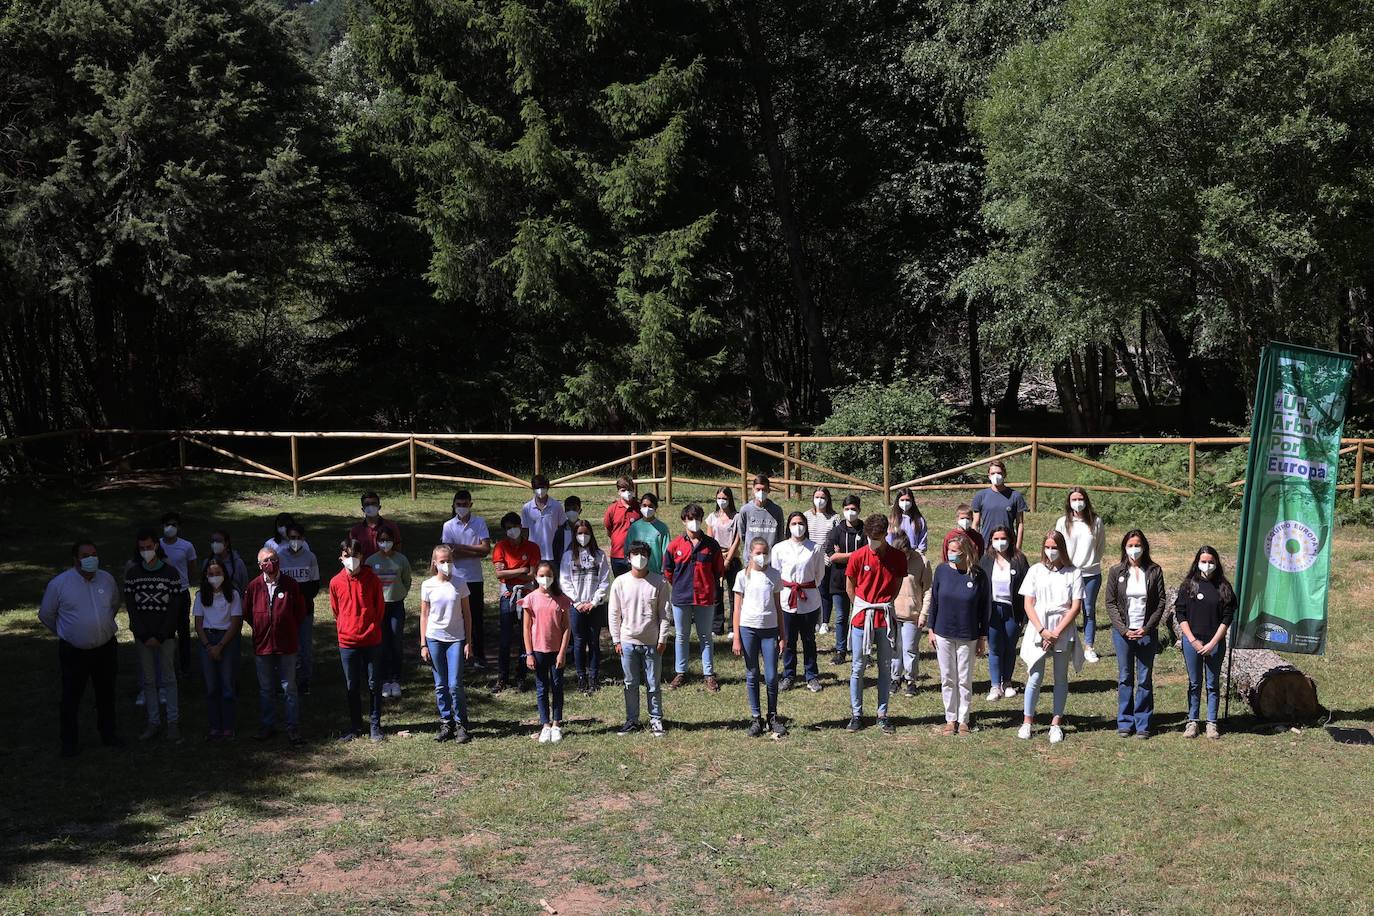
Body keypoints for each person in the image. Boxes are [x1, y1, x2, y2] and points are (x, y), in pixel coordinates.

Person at [39, 541, 122, 756]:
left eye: (94, 554)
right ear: (75, 559)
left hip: (105, 648)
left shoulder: (107, 578)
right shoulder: (60, 584)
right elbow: (47, 614)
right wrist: (68, 633)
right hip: (74, 651)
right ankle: (69, 742)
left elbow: (114, 604)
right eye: (85, 555)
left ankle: (108, 734)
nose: (91, 558)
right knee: (71, 697)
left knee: (106, 693)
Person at [1017, 531, 1084, 744]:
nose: (1051, 551)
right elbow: (1028, 603)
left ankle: (1056, 723)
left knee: (1060, 677)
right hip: (1039, 627)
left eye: (1055, 547)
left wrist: (1056, 633)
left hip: (1062, 629)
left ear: (1062, 548)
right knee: (1035, 676)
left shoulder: (1074, 572)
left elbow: (1075, 607)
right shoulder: (1036, 571)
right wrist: (1042, 631)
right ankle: (1027, 721)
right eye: (1047, 547)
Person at [845, 514, 906, 734]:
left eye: (877, 537)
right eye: (870, 537)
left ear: (885, 534)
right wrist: (862, 606)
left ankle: (882, 714)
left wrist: (884, 605)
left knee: (885, 667)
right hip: (863, 617)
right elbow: (850, 586)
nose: (873, 541)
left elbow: (897, 584)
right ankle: (856, 714)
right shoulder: (858, 556)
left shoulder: (898, 557)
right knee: (858, 667)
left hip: (884, 618)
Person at [1105, 529, 1167, 739]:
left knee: (1144, 678)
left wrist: (1147, 628)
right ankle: (1124, 720)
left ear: (1144, 547)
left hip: (1146, 632)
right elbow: (1110, 603)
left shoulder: (1155, 571)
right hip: (1123, 633)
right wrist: (1123, 629)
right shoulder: (1116, 572)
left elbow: (1160, 603)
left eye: (1137, 545)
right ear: (1124, 547)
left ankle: (1143, 722)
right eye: (1130, 545)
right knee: (1125, 677)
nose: (1134, 549)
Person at [927, 532, 989, 735]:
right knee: (947, 677)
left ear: (966, 553)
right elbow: (934, 601)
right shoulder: (942, 571)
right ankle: (950, 718)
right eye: (949, 550)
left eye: (955, 551)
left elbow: (984, 609)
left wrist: (982, 637)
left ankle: (964, 720)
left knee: (964, 678)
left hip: (967, 634)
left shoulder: (978, 576)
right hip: (943, 632)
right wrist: (931, 629)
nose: (950, 554)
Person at [242, 547, 306, 743]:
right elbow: (247, 613)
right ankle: (267, 726)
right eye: (266, 561)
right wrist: (263, 628)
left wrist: (285, 627)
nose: (271, 563)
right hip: (263, 645)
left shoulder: (290, 585)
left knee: (289, 688)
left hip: (286, 645)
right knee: (266, 689)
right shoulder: (253, 586)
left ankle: (292, 728)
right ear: (260, 565)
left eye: (274, 559)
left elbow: (300, 612)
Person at [607, 540, 670, 737]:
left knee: (653, 683)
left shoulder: (660, 582)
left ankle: (656, 719)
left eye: (643, 554)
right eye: (635, 554)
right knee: (630, 683)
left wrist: (663, 639)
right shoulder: (620, 582)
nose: (639, 558)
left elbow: (665, 613)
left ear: (649, 558)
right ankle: (631, 719)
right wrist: (616, 640)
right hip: (627, 642)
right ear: (628, 558)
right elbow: (614, 613)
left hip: (652, 641)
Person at [125, 531, 183, 742]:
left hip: (165, 636)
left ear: (156, 546)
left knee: (169, 679)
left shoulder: (171, 573)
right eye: (142, 548)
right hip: (143, 637)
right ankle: (153, 722)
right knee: (148, 681)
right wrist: (143, 634)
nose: (146, 551)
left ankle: (173, 723)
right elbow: (131, 607)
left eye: (149, 547)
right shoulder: (133, 574)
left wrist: (161, 634)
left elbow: (175, 607)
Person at [663, 503, 724, 692]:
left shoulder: (712, 545)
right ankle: (681, 672)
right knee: (682, 636)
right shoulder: (674, 545)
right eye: (690, 519)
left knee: (705, 636)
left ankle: (708, 674)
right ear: (684, 521)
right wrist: (680, 586)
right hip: (681, 597)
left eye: (697, 518)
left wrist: (708, 587)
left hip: (705, 597)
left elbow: (718, 571)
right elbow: (668, 571)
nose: (694, 522)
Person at [1175, 545, 1235, 740]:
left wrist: (1212, 643)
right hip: (1193, 641)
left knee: (1212, 684)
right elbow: (1180, 613)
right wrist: (1192, 641)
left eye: (1211, 562)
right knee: (1194, 683)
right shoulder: (1188, 585)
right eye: (1204, 561)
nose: (1207, 565)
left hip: (1214, 643)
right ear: (1197, 563)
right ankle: (1192, 721)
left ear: (1216, 563)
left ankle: (1211, 723)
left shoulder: (1224, 587)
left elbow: (1227, 618)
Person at [330, 538, 387, 742]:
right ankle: (355, 726)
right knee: (352, 686)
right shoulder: (335, 582)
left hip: (371, 639)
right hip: (347, 642)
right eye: (347, 556)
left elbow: (380, 609)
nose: (351, 560)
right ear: (341, 558)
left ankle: (375, 726)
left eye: (355, 556)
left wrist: (370, 626)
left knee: (373, 684)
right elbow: (336, 610)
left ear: (361, 556)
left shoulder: (372, 579)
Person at [732, 537, 788, 737]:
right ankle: (756, 718)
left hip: (770, 630)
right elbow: (737, 608)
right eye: (758, 553)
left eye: (765, 552)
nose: (762, 556)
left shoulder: (774, 575)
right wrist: (736, 636)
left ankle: (772, 716)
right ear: (750, 554)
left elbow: (779, 607)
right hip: (748, 629)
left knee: (772, 676)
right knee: (752, 674)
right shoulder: (742, 576)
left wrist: (783, 634)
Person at [419, 545, 473, 744]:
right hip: (434, 638)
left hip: (456, 639)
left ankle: (461, 724)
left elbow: (467, 614)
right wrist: (423, 643)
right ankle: (446, 722)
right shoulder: (427, 585)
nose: (446, 564)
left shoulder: (460, 583)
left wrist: (469, 641)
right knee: (440, 685)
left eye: (449, 560)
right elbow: (424, 615)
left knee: (455, 684)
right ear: (434, 563)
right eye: (442, 561)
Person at [771, 511, 825, 693]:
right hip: (787, 599)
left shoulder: (815, 548)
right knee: (788, 640)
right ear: (788, 526)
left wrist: (805, 587)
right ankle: (789, 675)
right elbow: (776, 574)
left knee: (809, 639)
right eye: (794, 523)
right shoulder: (779, 548)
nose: (798, 527)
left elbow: (819, 575)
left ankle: (811, 675)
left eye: (801, 523)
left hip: (808, 598)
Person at [521, 561, 573, 743]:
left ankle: (557, 723)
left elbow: (567, 628)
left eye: (549, 575)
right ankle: (545, 724)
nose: (545, 579)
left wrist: (562, 652)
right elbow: (526, 628)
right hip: (538, 650)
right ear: (535, 577)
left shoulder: (562, 599)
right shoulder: (531, 599)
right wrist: (529, 653)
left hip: (556, 650)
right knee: (542, 688)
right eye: (541, 575)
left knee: (557, 686)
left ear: (554, 577)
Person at [559, 520, 611, 694]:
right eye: (579, 533)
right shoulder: (568, 556)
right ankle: (581, 676)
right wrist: (578, 602)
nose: (583, 536)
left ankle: (594, 676)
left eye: (586, 533)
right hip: (576, 606)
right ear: (574, 535)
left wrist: (593, 602)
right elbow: (564, 582)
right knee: (579, 642)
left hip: (595, 606)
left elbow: (604, 581)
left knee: (594, 641)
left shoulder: (599, 555)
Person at [491, 511, 541, 692]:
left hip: (527, 592)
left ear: (521, 526)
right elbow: (499, 574)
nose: (513, 531)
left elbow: (531, 574)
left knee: (524, 634)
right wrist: (521, 569)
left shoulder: (533, 547)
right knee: (505, 638)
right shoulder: (500, 547)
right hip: (507, 594)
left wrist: (512, 572)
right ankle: (502, 677)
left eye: (515, 526)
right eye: (508, 528)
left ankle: (521, 676)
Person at [1055, 486, 1107, 664]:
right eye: (1074, 500)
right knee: (1067, 609)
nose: (1078, 503)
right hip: (1070, 572)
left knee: (1089, 609)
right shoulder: (1063, 522)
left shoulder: (1096, 521)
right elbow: (1058, 546)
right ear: (1069, 503)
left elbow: (1100, 547)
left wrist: (1091, 562)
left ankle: (1089, 646)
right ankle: (1065, 644)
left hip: (1091, 573)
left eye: (1080, 499)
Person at [978, 525, 1029, 701]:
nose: (1000, 542)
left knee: (1009, 647)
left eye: (1003, 538)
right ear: (991, 541)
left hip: (1012, 611)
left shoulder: (1019, 560)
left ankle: (1007, 683)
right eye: (996, 539)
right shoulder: (985, 560)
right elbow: (980, 587)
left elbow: (1028, 588)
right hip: (992, 610)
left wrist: (1025, 616)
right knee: (995, 647)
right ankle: (995, 686)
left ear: (1010, 539)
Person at [440, 490, 491, 668]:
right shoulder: (448, 526)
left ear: (471, 504)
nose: (462, 507)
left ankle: (479, 656)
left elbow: (485, 550)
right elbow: (448, 552)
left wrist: (460, 548)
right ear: (454, 505)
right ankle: (459, 655)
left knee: (476, 618)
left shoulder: (479, 522)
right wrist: (473, 550)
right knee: (456, 618)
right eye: (458, 504)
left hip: (475, 578)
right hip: (455, 578)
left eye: (465, 504)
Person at [194, 558, 243, 739]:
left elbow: (236, 622)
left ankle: (228, 727)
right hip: (207, 639)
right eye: (211, 574)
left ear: (225, 574)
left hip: (227, 640)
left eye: (218, 573)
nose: (215, 577)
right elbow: (198, 624)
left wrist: (220, 646)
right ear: (205, 576)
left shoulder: (234, 595)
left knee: (227, 685)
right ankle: (215, 726)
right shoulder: (200, 595)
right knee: (211, 687)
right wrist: (208, 645)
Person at [366, 534, 413, 700]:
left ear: (394, 542)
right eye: (381, 540)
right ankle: (385, 679)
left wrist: (401, 594)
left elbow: (407, 581)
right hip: (378, 607)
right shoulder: (370, 561)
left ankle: (396, 679)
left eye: (388, 540)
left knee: (396, 641)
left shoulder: (401, 560)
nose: (385, 543)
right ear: (377, 541)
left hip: (396, 605)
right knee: (382, 643)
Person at [277, 522, 321, 695]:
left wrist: (297, 593)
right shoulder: (279, 556)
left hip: (305, 609)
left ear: (303, 539)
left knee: (305, 648)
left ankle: (304, 682)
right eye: (292, 538)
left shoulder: (310, 557)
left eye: (298, 538)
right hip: (285, 610)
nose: (295, 541)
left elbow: (314, 586)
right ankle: (286, 680)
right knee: (286, 647)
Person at [889, 531, 932, 698]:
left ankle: (910, 680)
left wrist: (923, 614)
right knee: (894, 648)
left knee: (909, 648)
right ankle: (895, 678)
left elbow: (928, 589)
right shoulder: (890, 559)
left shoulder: (922, 562)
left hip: (912, 614)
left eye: (905, 554)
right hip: (892, 612)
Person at [823, 495, 865, 666]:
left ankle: (861, 650)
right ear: (842, 510)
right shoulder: (836, 531)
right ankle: (841, 650)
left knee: (860, 617)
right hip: (839, 580)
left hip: (862, 581)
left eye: (853, 509)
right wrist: (854, 555)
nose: (850, 512)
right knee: (841, 617)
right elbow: (831, 555)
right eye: (847, 509)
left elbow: (868, 554)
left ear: (859, 510)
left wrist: (844, 556)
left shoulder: (865, 530)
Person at [158, 511, 197, 674]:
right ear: (162, 526)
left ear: (179, 527)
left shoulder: (186, 546)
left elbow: (192, 568)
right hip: (161, 593)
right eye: (167, 524)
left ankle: (185, 666)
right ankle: (166, 666)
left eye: (174, 524)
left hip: (181, 592)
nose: (170, 527)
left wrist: (185, 582)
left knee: (183, 630)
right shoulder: (156, 545)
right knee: (165, 630)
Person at [804, 488, 839, 636]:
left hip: (826, 560)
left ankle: (825, 622)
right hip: (808, 559)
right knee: (811, 591)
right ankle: (814, 620)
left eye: (823, 497)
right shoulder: (806, 515)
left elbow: (836, 539)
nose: (820, 500)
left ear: (828, 499)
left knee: (824, 592)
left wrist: (830, 556)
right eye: (817, 497)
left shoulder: (834, 517)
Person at [972, 460, 1028, 550]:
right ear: (989, 476)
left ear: (1004, 474)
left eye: (999, 473)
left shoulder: (1015, 496)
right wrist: (975, 545)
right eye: (993, 473)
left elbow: (1020, 523)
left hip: (1009, 546)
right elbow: (975, 524)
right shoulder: (980, 496)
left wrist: (1018, 547)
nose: (996, 476)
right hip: (986, 546)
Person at [730, 474, 785, 565]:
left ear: (769, 490)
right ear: (753, 490)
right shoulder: (745, 510)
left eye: (764, 489)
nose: (761, 492)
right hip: (751, 559)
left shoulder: (777, 511)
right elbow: (742, 534)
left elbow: (780, 536)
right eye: (758, 489)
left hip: (771, 560)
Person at [709, 487, 740, 639]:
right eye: (719, 498)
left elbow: (737, 539)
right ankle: (716, 626)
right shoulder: (712, 517)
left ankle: (733, 627)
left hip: (732, 559)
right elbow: (709, 539)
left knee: (734, 594)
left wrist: (728, 559)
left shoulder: (737, 517)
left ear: (730, 500)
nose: (722, 501)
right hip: (716, 558)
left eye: (725, 498)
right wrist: (718, 557)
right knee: (716, 594)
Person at [603, 475, 642, 577]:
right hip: (617, 555)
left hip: (636, 554)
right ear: (619, 492)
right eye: (623, 490)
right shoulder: (612, 509)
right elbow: (609, 529)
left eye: (629, 489)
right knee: (620, 587)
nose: (627, 492)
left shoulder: (639, 508)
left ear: (633, 490)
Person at [522, 474, 566, 562]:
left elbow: (562, 529)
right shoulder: (526, 508)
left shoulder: (556, 506)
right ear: (533, 489)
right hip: (533, 554)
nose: (540, 490)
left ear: (548, 487)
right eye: (537, 488)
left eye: (543, 487)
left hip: (553, 554)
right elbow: (525, 531)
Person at [626, 492, 671, 574]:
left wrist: (663, 570)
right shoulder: (634, 527)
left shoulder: (662, 528)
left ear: (655, 508)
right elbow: (627, 549)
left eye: (650, 506)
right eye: (644, 505)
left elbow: (666, 551)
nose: (647, 508)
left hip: (655, 572)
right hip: (637, 571)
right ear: (640, 506)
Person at [349, 491, 401, 559]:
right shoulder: (355, 530)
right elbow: (352, 553)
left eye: (373, 504)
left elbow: (397, 549)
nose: (370, 506)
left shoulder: (391, 526)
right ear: (363, 509)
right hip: (364, 568)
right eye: (367, 504)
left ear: (379, 507)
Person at [205, 529, 249, 594]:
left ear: (226, 543)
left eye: (218, 541)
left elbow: (244, 586)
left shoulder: (238, 563)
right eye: (213, 541)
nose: (215, 544)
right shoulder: (207, 563)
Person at [886, 488, 928, 554]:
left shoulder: (919, 520)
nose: (905, 503)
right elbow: (889, 539)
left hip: (914, 554)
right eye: (902, 500)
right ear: (898, 501)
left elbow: (923, 538)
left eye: (907, 500)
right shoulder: (892, 520)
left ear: (912, 501)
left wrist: (920, 552)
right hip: (896, 554)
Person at [550, 494, 582, 570]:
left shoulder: (585, 529)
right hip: (564, 569)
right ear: (565, 511)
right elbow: (556, 553)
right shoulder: (560, 531)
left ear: (580, 511)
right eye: (568, 509)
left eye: (574, 509)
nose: (571, 512)